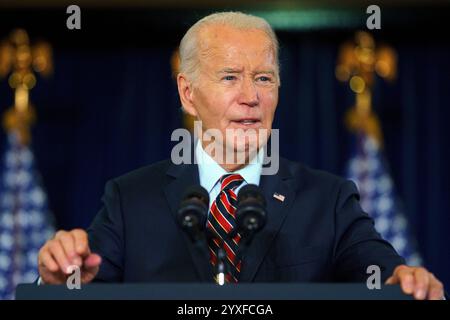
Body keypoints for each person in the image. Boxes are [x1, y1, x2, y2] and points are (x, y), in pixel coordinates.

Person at [37, 12, 444, 299]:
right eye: (230, 77)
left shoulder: (329, 200)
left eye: (264, 78)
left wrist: (403, 282)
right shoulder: (129, 200)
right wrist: (60, 281)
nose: (250, 97)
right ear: (188, 93)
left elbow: (383, 272)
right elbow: (81, 285)